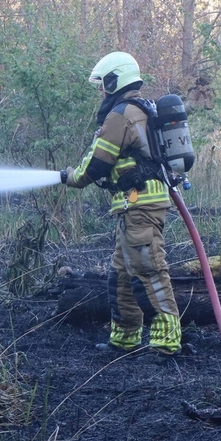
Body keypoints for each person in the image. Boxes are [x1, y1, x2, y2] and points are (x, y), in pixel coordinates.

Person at [61, 51, 182, 356]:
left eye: (103, 84)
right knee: (122, 275)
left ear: (115, 80)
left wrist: (70, 177)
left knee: (149, 270)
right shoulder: (141, 108)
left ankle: (167, 341)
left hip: (139, 203)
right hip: (137, 204)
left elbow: (96, 164)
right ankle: (125, 336)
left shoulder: (121, 114)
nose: (101, 91)